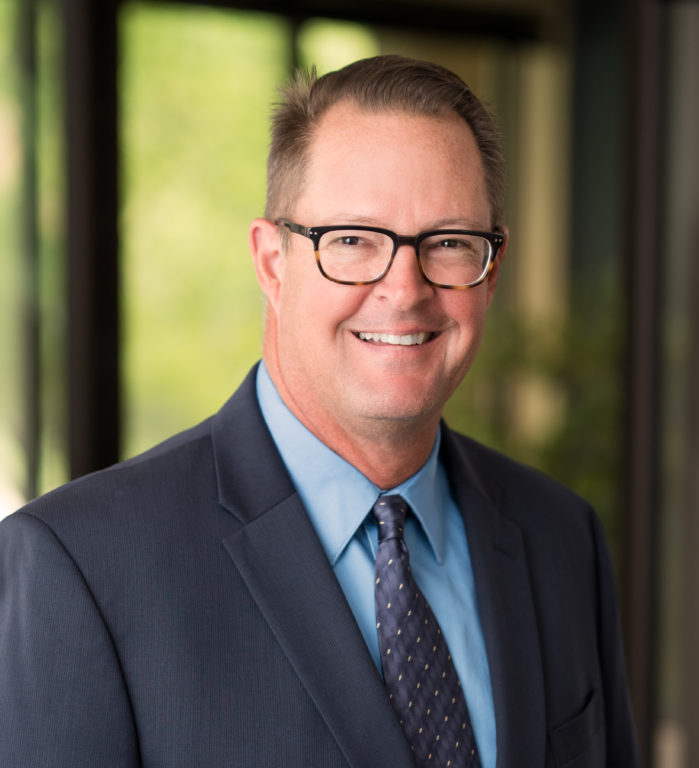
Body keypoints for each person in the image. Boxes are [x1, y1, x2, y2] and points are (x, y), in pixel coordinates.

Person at [0, 55, 639, 767]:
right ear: (272, 262)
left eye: (450, 243)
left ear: (492, 271)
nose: (405, 289)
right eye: (353, 241)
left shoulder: (561, 537)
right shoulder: (81, 568)